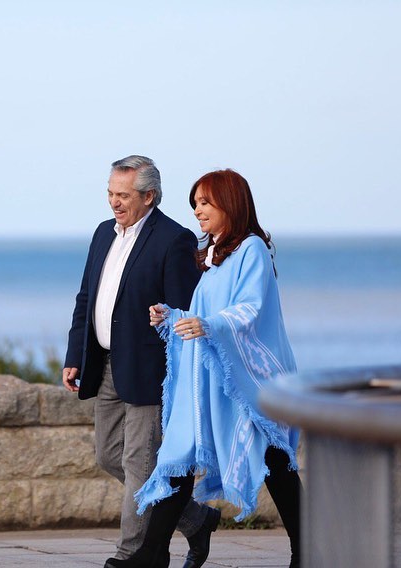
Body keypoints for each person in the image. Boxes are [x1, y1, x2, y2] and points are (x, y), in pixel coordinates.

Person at [107, 169, 303, 568]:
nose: (198, 211)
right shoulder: (214, 255)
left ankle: (309, 549)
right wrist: (172, 317)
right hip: (215, 376)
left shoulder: (252, 250)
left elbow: (249, 309)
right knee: (182, 455)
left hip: (247, 380)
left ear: (230, 203)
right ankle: (151, 553)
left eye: (205, 203)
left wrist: (208, 325)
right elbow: (203, 314)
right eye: (195, 203)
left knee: (274, 463)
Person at [63, 155, 220, 567]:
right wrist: (74, 354)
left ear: (149, 196)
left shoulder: (174, 239)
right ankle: (195, 519)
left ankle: (130, 555)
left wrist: (168, 325)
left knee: (138, 462)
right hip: (106, 365)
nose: (114, 202)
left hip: (151, 371)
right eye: (111, 193)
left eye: (124, 195)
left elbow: (182, 311)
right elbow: (87, 299)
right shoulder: (102, 234)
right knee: (108, 456)